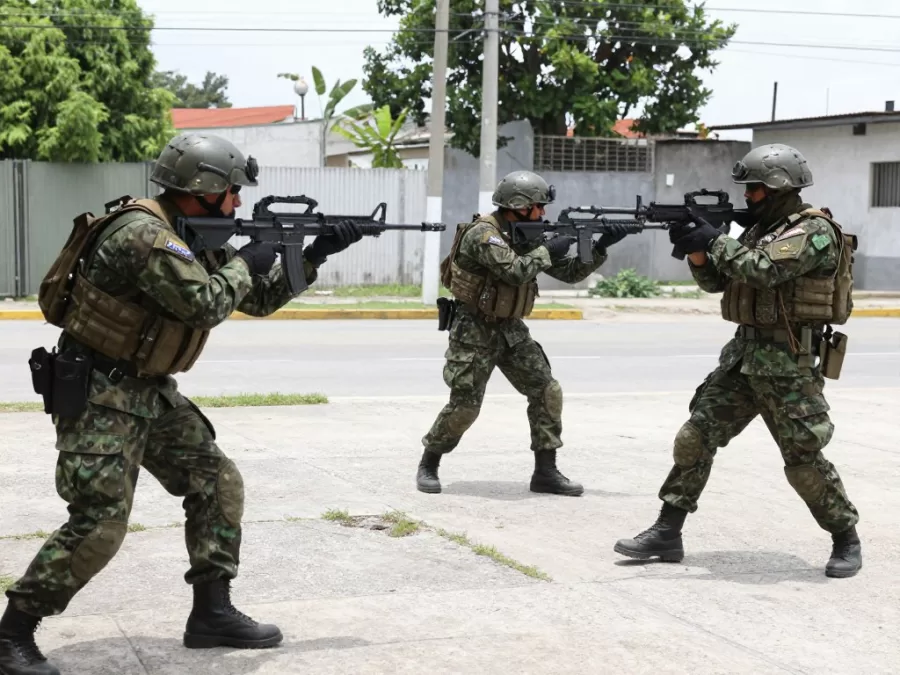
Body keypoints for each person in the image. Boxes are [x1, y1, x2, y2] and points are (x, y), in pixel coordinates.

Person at [0, 132, 363, 674]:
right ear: (205, 188)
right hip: (101, 394)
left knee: (217, 482)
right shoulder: (146, 235)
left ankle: (212, 613)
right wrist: (246, 259)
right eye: (233, 192)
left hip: (146, 391)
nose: (238, 203)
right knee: (100, 521)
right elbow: (206, 303)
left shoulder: (189, 233)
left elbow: (255, 300)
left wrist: (312, 255)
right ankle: (12, 635)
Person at [613, 143, 862, 578]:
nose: (748, 196)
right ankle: (668, 532)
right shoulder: (758, 231)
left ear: (781, 188)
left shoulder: (814, 231)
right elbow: (717, 280)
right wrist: (696, 250)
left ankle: (846, 538)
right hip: (743, 359)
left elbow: (764, 270)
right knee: (695, 436)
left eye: (756, 190)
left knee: (803, 459)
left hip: (788, 364)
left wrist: (714, 237)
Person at [416, 170, 632, 496]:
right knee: (465, 406)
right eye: (538, 207)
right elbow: (515, 272)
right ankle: (429, 463)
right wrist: (549, 248)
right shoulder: (482, 235)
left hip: (511, 329)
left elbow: (571, 274)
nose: (543, 213)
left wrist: (600, 246)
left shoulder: (527, 235)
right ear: (518, 206)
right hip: (473, 329)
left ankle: (546, 472)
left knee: (546, 390)